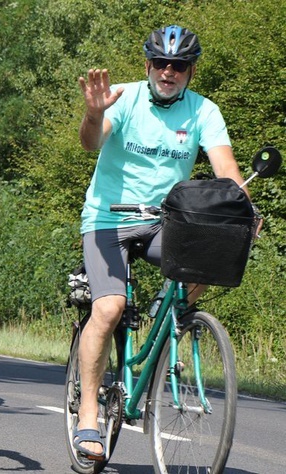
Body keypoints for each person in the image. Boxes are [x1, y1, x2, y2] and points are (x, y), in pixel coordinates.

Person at [73, 25, 253, 460]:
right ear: (148, 65)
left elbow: (226, 169)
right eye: (161, 63)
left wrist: (244, 211)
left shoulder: (204, 111)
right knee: (110, 308)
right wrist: (94, 114)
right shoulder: (123, 96)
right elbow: (91, 142)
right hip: (108, 218)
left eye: (179, 65)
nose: (168, 72)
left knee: (211, 254)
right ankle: (89, 416)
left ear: (191, 70)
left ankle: (165, 314)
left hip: (163, 222)